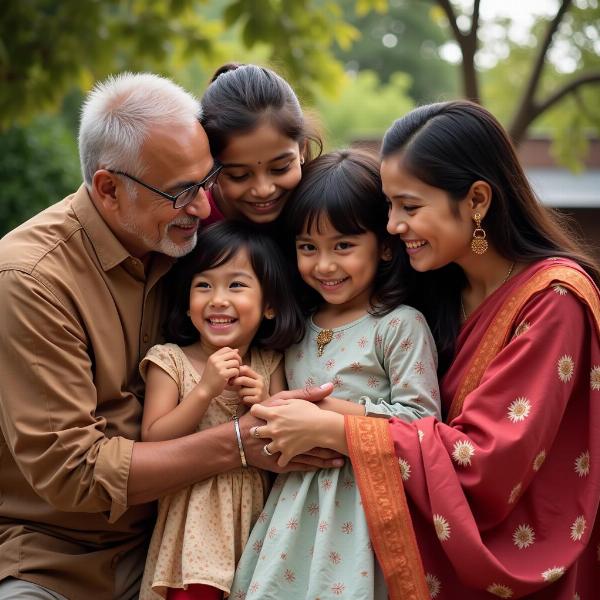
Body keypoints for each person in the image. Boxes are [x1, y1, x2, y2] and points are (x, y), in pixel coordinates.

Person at [0, 72, 339, 600]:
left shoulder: (184, 245)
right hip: (57, 558)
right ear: (109, 189)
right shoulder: (32, 280)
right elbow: (74, 471)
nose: (206, 208)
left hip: (187, 536)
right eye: (183, 192)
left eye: (208, 182)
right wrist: (240, 444)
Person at [247, 102, 600, 599]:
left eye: (409, 207)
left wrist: (337, 427)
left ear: (477, 200)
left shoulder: (554, 301)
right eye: (389, 206)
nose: (392, 225)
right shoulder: (435, 288)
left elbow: (484, 465)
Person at [231, 149, 441, 599]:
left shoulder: (398, 325)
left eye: (343, 246)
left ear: (384, 245)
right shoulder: (296, 327)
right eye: (308, 247)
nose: (324, 265)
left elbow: (423, 426)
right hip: (292, 513)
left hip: (365, 512)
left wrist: (326, 413)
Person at [139, 221, 304, 600]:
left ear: (270, 305)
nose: (218, 299)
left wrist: (262, 402)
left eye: (236, 285)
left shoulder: (269, 363)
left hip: (257, 523)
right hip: (194, 526)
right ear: (186, 300)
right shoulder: (171, 361)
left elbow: (283, 446)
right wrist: (204, 391)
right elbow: (153, 439)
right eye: (204, 285)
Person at [200, 63, 321, 228]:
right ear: (211, 169)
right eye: (239, 175)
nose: (263, 190)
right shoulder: (191, 226)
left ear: (302, 149)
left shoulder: (325, 212)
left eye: (280, 168)